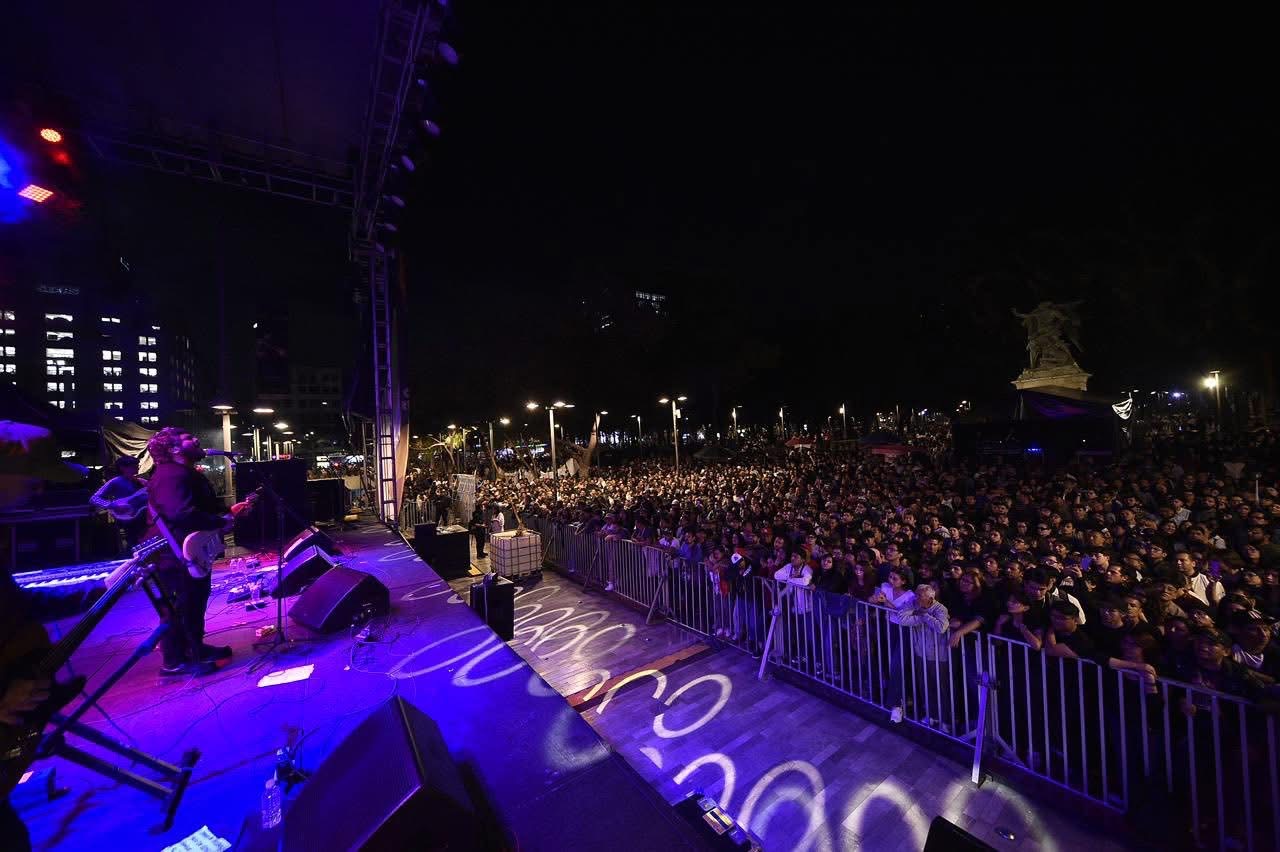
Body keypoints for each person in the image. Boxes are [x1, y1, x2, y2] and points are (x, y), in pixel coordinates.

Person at [145, 427, 248, 677]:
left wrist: (226, 513)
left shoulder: (184, 472)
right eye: (189, 438)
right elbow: (180, 513)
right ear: (174, 449)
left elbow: (201, 507)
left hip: (185, 551)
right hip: (172, 554)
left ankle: (194, 649)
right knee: (180, 606)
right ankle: (174, 663)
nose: (197, 439)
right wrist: (218, 522)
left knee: (193, 603)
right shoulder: (171, 474)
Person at [90, 455, 149, 548]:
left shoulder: (141, 481)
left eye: (137, 465)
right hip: (128, 518)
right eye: (133, 465)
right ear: (122, 468)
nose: (137, 467)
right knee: (133, 543)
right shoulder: (115, 482)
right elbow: (94, 498)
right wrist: (112, 506)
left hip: (144, 517)